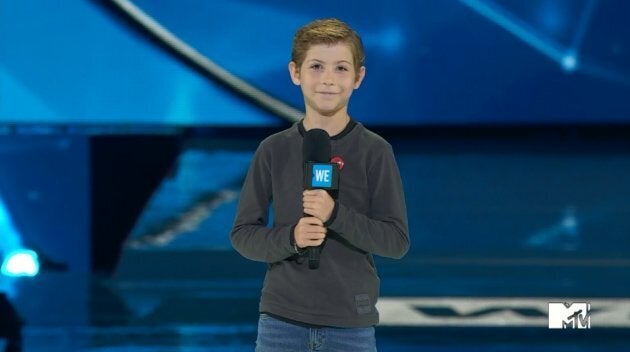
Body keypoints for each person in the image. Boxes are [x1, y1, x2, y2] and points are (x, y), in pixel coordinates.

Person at [230, 18, 409, 352]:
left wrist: (335, 215)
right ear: (295, 73)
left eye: (341, 68)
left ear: (359, 77)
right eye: (316, 66)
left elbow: (396, 241)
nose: (328, 79)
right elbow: (243, 234)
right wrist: (292, 238)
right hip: (281, 324)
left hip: (349, 327)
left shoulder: (375, 151)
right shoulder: (274, 149)